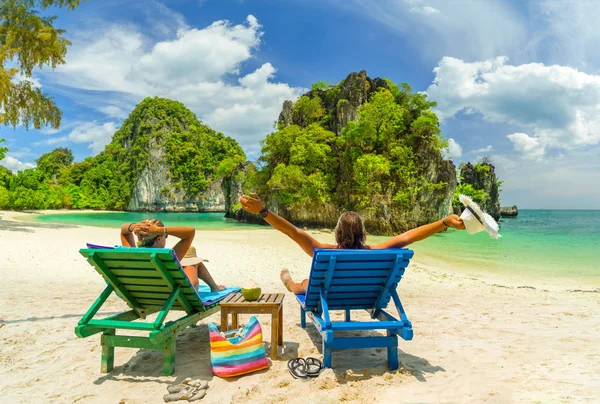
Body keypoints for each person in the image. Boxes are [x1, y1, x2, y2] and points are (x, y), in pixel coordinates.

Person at [239, 193, 466, 294]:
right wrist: (444, 222)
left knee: (304, 284)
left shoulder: (323, 251)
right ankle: (291, 281)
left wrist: (263, 211)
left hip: (328, 294)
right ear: (363, 233)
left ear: (337, 233)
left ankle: (288, 282)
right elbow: (409, 237)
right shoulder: (377, 251)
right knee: (309, 281)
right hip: (363, 293)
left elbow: (292, 231)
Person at [120, 218, 225, 292]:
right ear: (159, 238)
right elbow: (191, 231)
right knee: (192, 259)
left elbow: (124, 231)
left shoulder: (131, 254)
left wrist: (135, 227)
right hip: (174, 296)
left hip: (142, 295)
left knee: (189, 255)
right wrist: (160, 230)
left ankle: (214, 286)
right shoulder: (167, 257)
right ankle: (214, 287)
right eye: (165, 236)